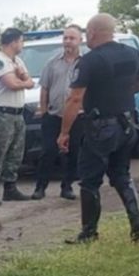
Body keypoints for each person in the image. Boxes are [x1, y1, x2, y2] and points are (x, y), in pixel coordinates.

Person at [58, 14, 139, 244]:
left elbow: (75, 99)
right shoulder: (131, 53)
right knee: (121, 175)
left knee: (90, 180)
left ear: (92, 33)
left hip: (100, 128)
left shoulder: (92, 60)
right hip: (127, 125)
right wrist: (125, 94)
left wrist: (64, 132)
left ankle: (89, 232)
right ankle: (138, 222)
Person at [0, 27, 35, 206]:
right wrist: (23, 81)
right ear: (13, 42)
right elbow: (12, 83)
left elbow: (30, 81)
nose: (22, 44)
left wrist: (23, 80)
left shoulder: (17, 60)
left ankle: (10, 188)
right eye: (21, 41)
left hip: (17, 113)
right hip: (0, 114)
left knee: (15, 153)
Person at [32, 25, 84, 201]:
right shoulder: (52, 63)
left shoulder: (86, 63)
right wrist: (44, 110)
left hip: (78, 116)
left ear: (80, 40)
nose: (68, 41)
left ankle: (67, 186)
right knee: (48, 151)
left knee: (74, 152)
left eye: (72, 38)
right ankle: (40, 187)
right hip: (54, 116)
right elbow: (44, 88)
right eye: (65, 38)